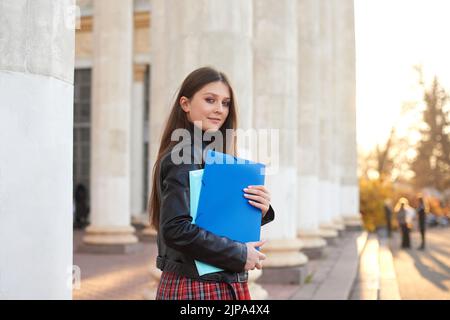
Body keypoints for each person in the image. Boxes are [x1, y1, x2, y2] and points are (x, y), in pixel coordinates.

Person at [148, 67, 275, 300]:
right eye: (210, 100)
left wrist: (260, 208)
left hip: (217, 280)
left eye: (225, 103)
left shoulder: (209, 154)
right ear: (185, 104)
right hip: (197, 287)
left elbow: (215, 218)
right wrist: (238, 254)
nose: (220, 109)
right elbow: (175, 229)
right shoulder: (184, 155)